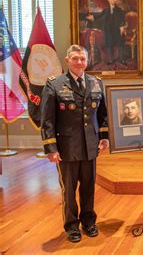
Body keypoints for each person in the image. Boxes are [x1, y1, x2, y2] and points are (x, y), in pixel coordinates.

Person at [40, 44, 109, 243]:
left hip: (90, 146)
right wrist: (50, 148)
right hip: (67, 148)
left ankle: (89, 221)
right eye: (75, 59)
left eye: (83, 59)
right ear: (67, 60)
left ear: (87, 61)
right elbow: (48, 120)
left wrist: (104, 137)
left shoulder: (96, 83)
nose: (79, 62)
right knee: (69, 190)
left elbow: (102, 114)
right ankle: (71, 226)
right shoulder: (55, 84)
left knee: (88, 187)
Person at [86, 0, 126, 65]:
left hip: (117, 29)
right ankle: (110, 60)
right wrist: (93, 17)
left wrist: (122, 26)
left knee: (120, 44)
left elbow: (123, 19)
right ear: (108, 0)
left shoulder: (119, 10)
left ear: (116, 1)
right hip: (108, 30)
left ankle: (122, 59)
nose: (112, 1)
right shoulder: (106, 10)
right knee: (109, 44)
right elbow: (99, 16)